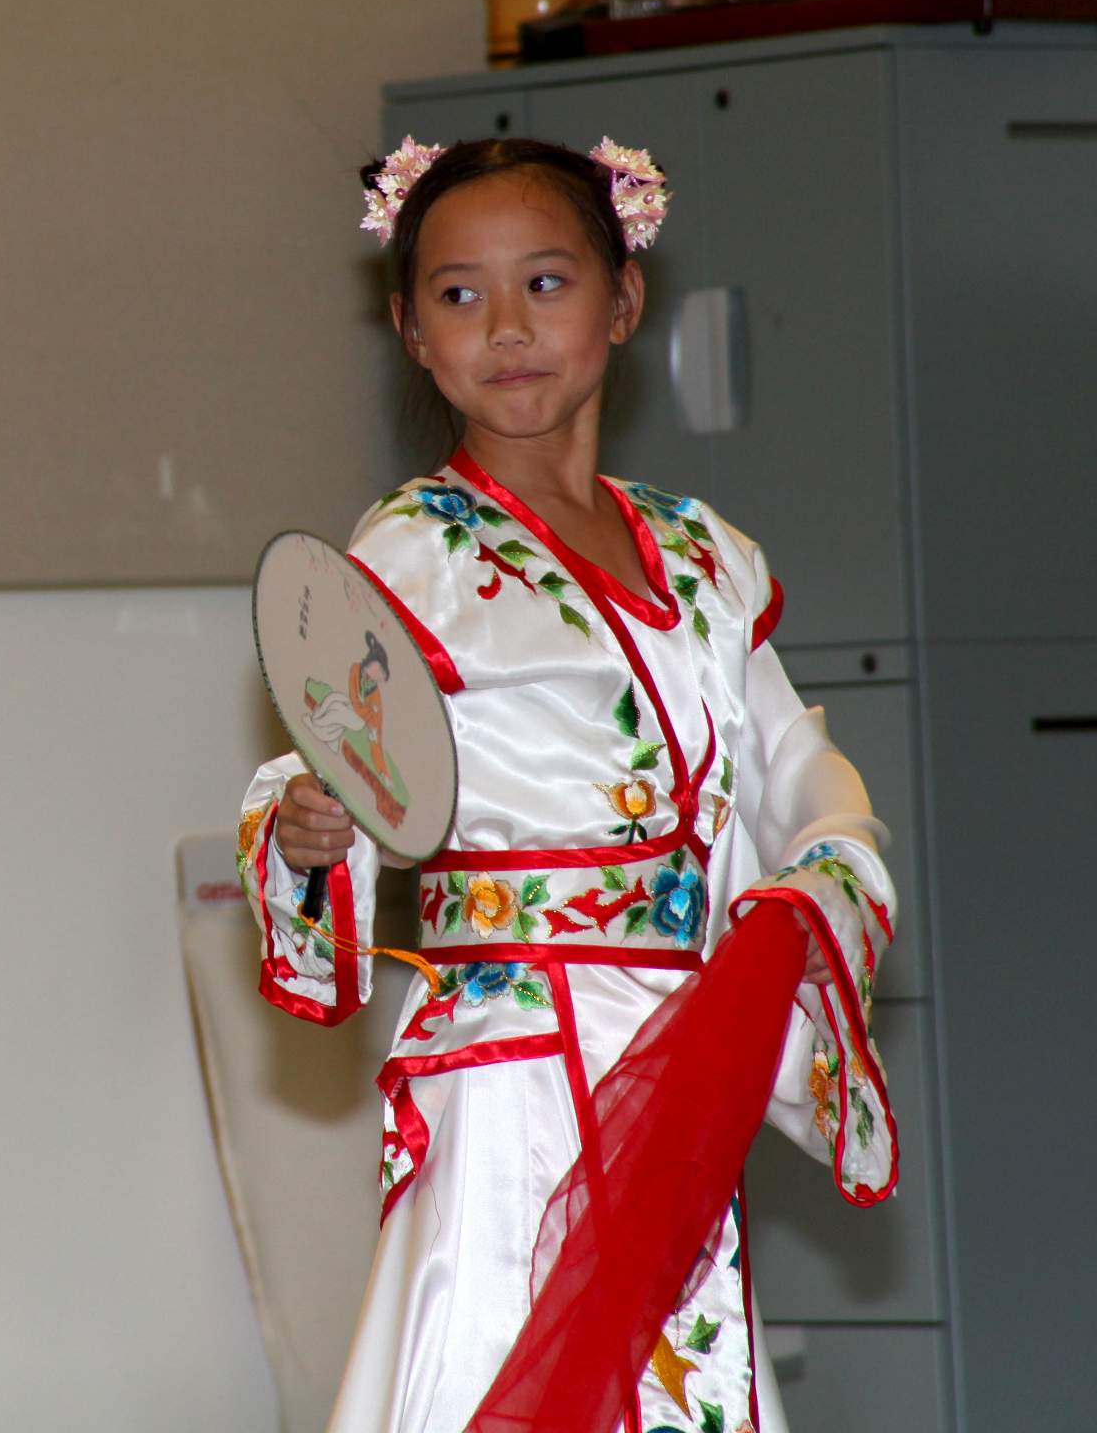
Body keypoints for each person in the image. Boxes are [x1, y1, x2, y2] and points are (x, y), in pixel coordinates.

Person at [237, 140, 901, 1433]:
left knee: (676, 1372)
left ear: (624, 299)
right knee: (505, 1357)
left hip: (677, 1049)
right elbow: (344, 760)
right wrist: (312, 830)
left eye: (545, 283)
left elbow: (786, 756)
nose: (506, 328)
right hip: (513, 1064)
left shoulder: (705, 556)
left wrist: (831, 851)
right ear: (410, 331)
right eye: (458, 295)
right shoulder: (414, 551)